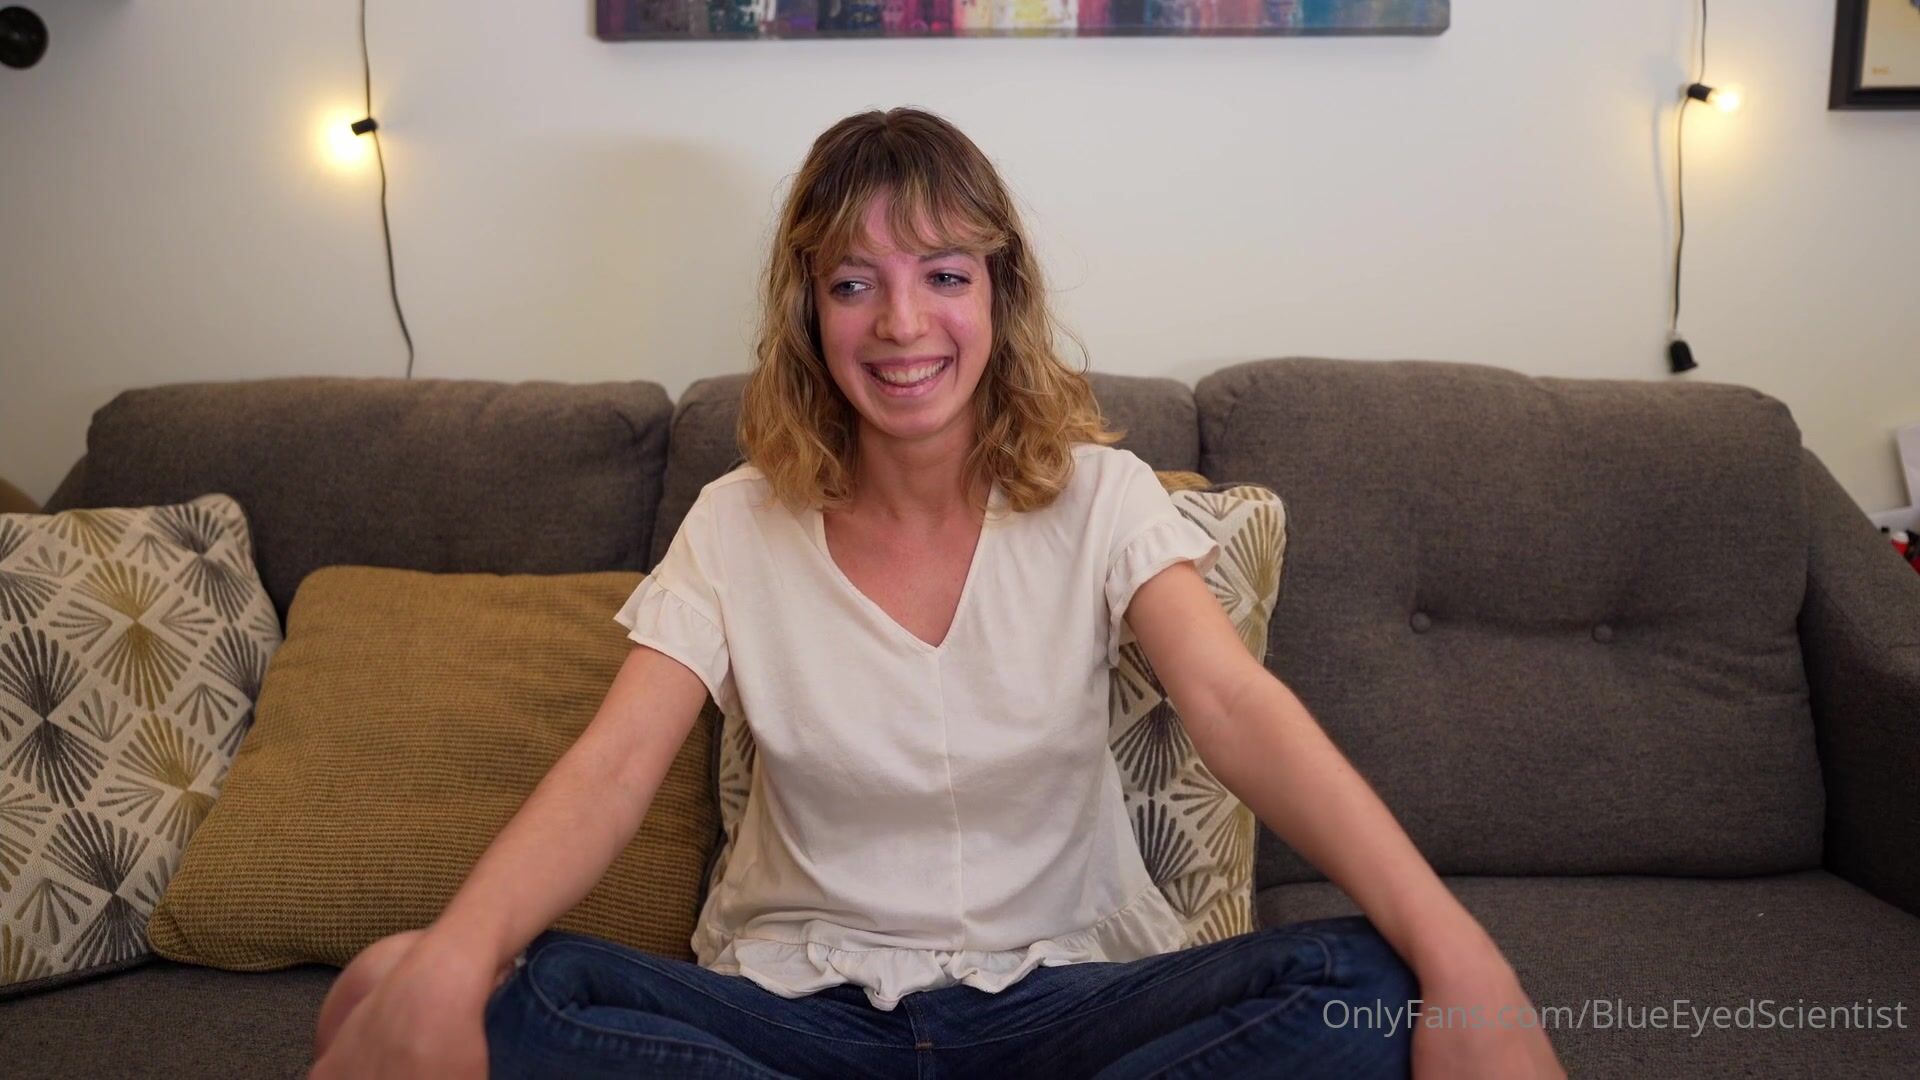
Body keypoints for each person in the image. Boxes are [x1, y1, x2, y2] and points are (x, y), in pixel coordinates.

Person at [308, 108, 1565, 1079]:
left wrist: (1464, 955)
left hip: (1069, 1007)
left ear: (998, 293)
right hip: (797, 1020)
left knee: (1369, 987)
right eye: (854, 282)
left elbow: (1234, 708)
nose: (902, 324)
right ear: (809, 311)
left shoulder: (1101, 495)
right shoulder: (736, 522)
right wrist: (457, 959)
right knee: (476, 989)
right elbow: (613, 769)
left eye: (944, 274)